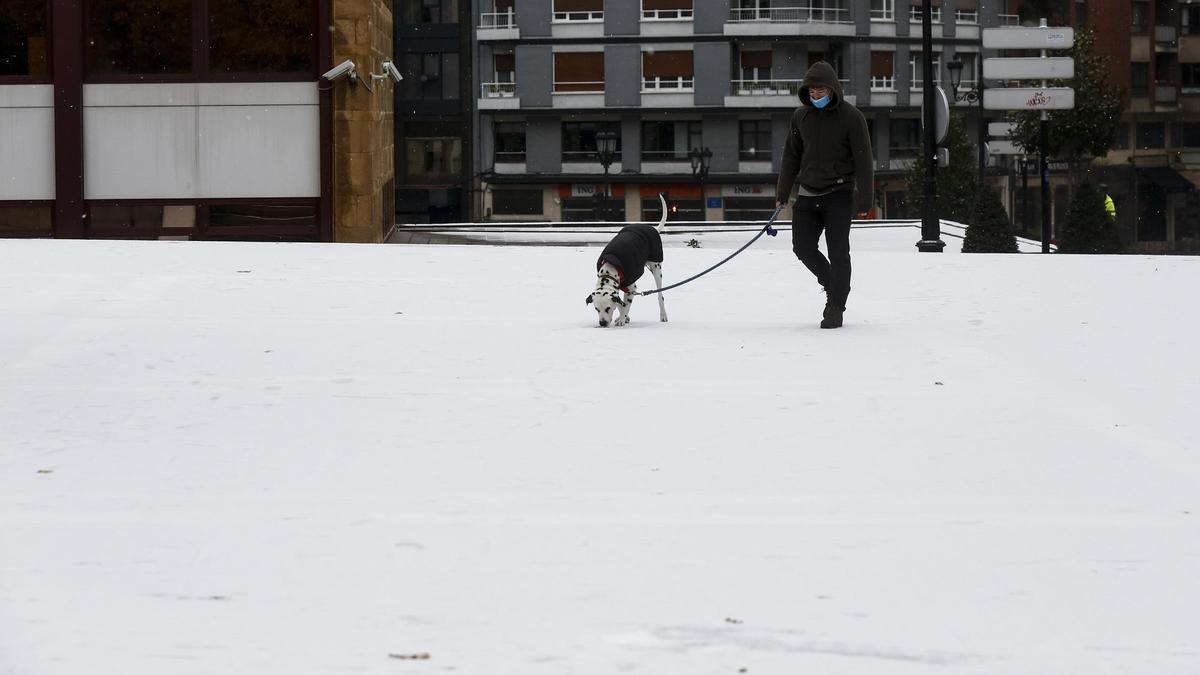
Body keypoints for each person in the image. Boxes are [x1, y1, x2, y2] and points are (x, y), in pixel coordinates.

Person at [775, 61, 873, 329]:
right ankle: (833, 283)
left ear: (833, 89)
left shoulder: (852, 118)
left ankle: (836, 306)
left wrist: (865, 199)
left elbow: (864, 160)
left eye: (821, 91)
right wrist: (783, 192)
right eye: (812, 92)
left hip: (839, 193)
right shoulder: (800, 117)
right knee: (802, 246)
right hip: (807, 193)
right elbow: (791, 157)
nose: (816, 96)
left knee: (838, 250)